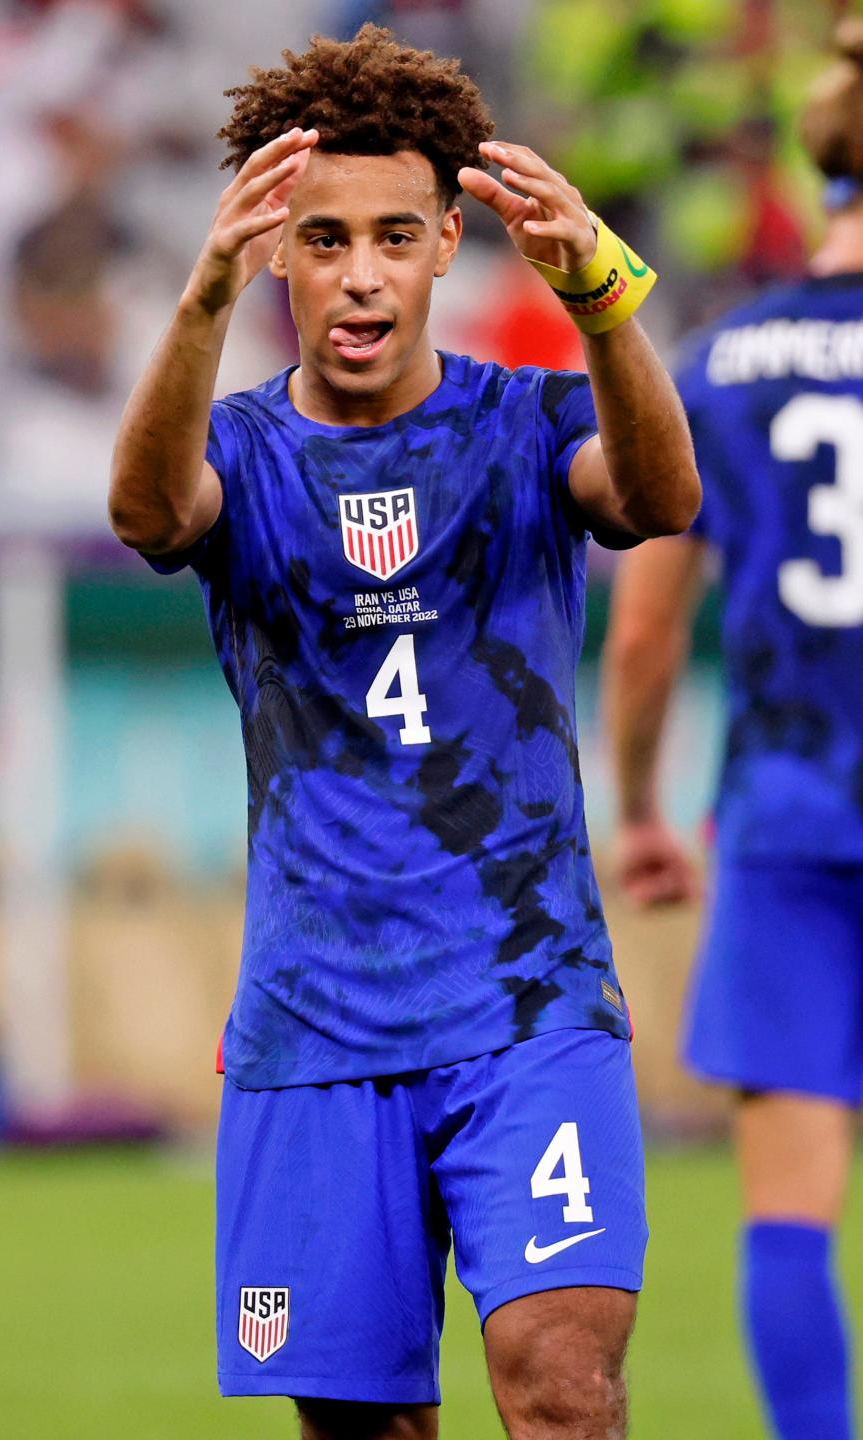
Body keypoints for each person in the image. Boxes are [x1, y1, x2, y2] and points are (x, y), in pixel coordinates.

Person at [109, 24, 699, 1439]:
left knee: (565, 1386)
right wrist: (197, 297)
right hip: (317, 1024)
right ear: (278, 258)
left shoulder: (522, 422)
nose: (359, 272)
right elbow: (144, 515)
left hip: (528, 1005)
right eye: (322, 238)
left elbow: (659, 497)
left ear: (446, 244)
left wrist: (605, 304)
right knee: (361, 1426)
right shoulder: (240, 451)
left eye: (391, 234)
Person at [603, 22, 863, 1440]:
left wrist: (640, 804)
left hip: (788, 816)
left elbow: (644, 633)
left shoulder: (721, 360)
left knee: (790, 1216)